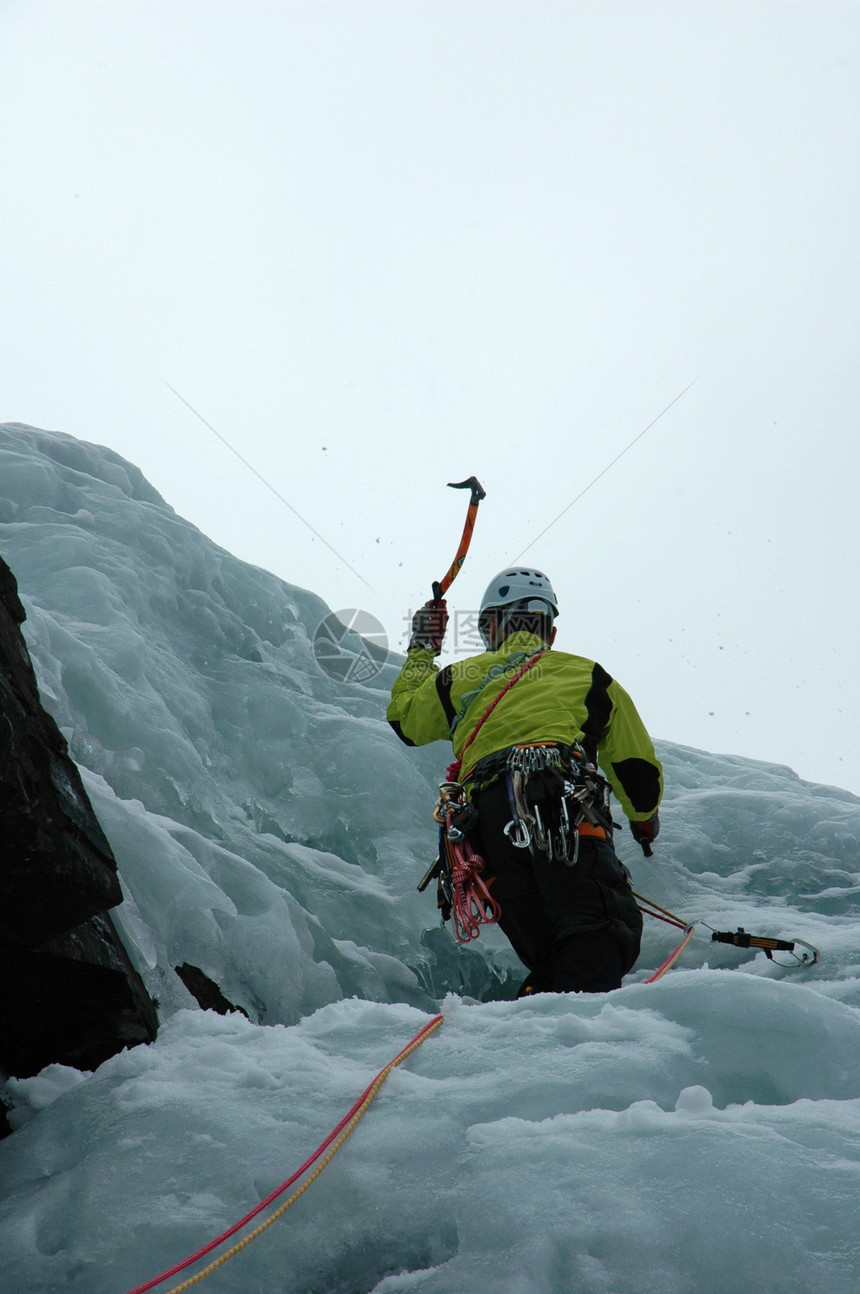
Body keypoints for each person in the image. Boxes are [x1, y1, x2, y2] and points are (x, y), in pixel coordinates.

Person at [387, 567, 663, 995]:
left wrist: (423, 646)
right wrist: (644, 821)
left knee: (551, 954)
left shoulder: (459, 678)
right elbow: (636, 769)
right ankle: (583, 1045)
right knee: (600, 932)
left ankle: (542, 1034)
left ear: (492, 625)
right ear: (548, 631)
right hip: (558, 804)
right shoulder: (586, 674)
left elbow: (405, 719)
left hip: (486, 832)